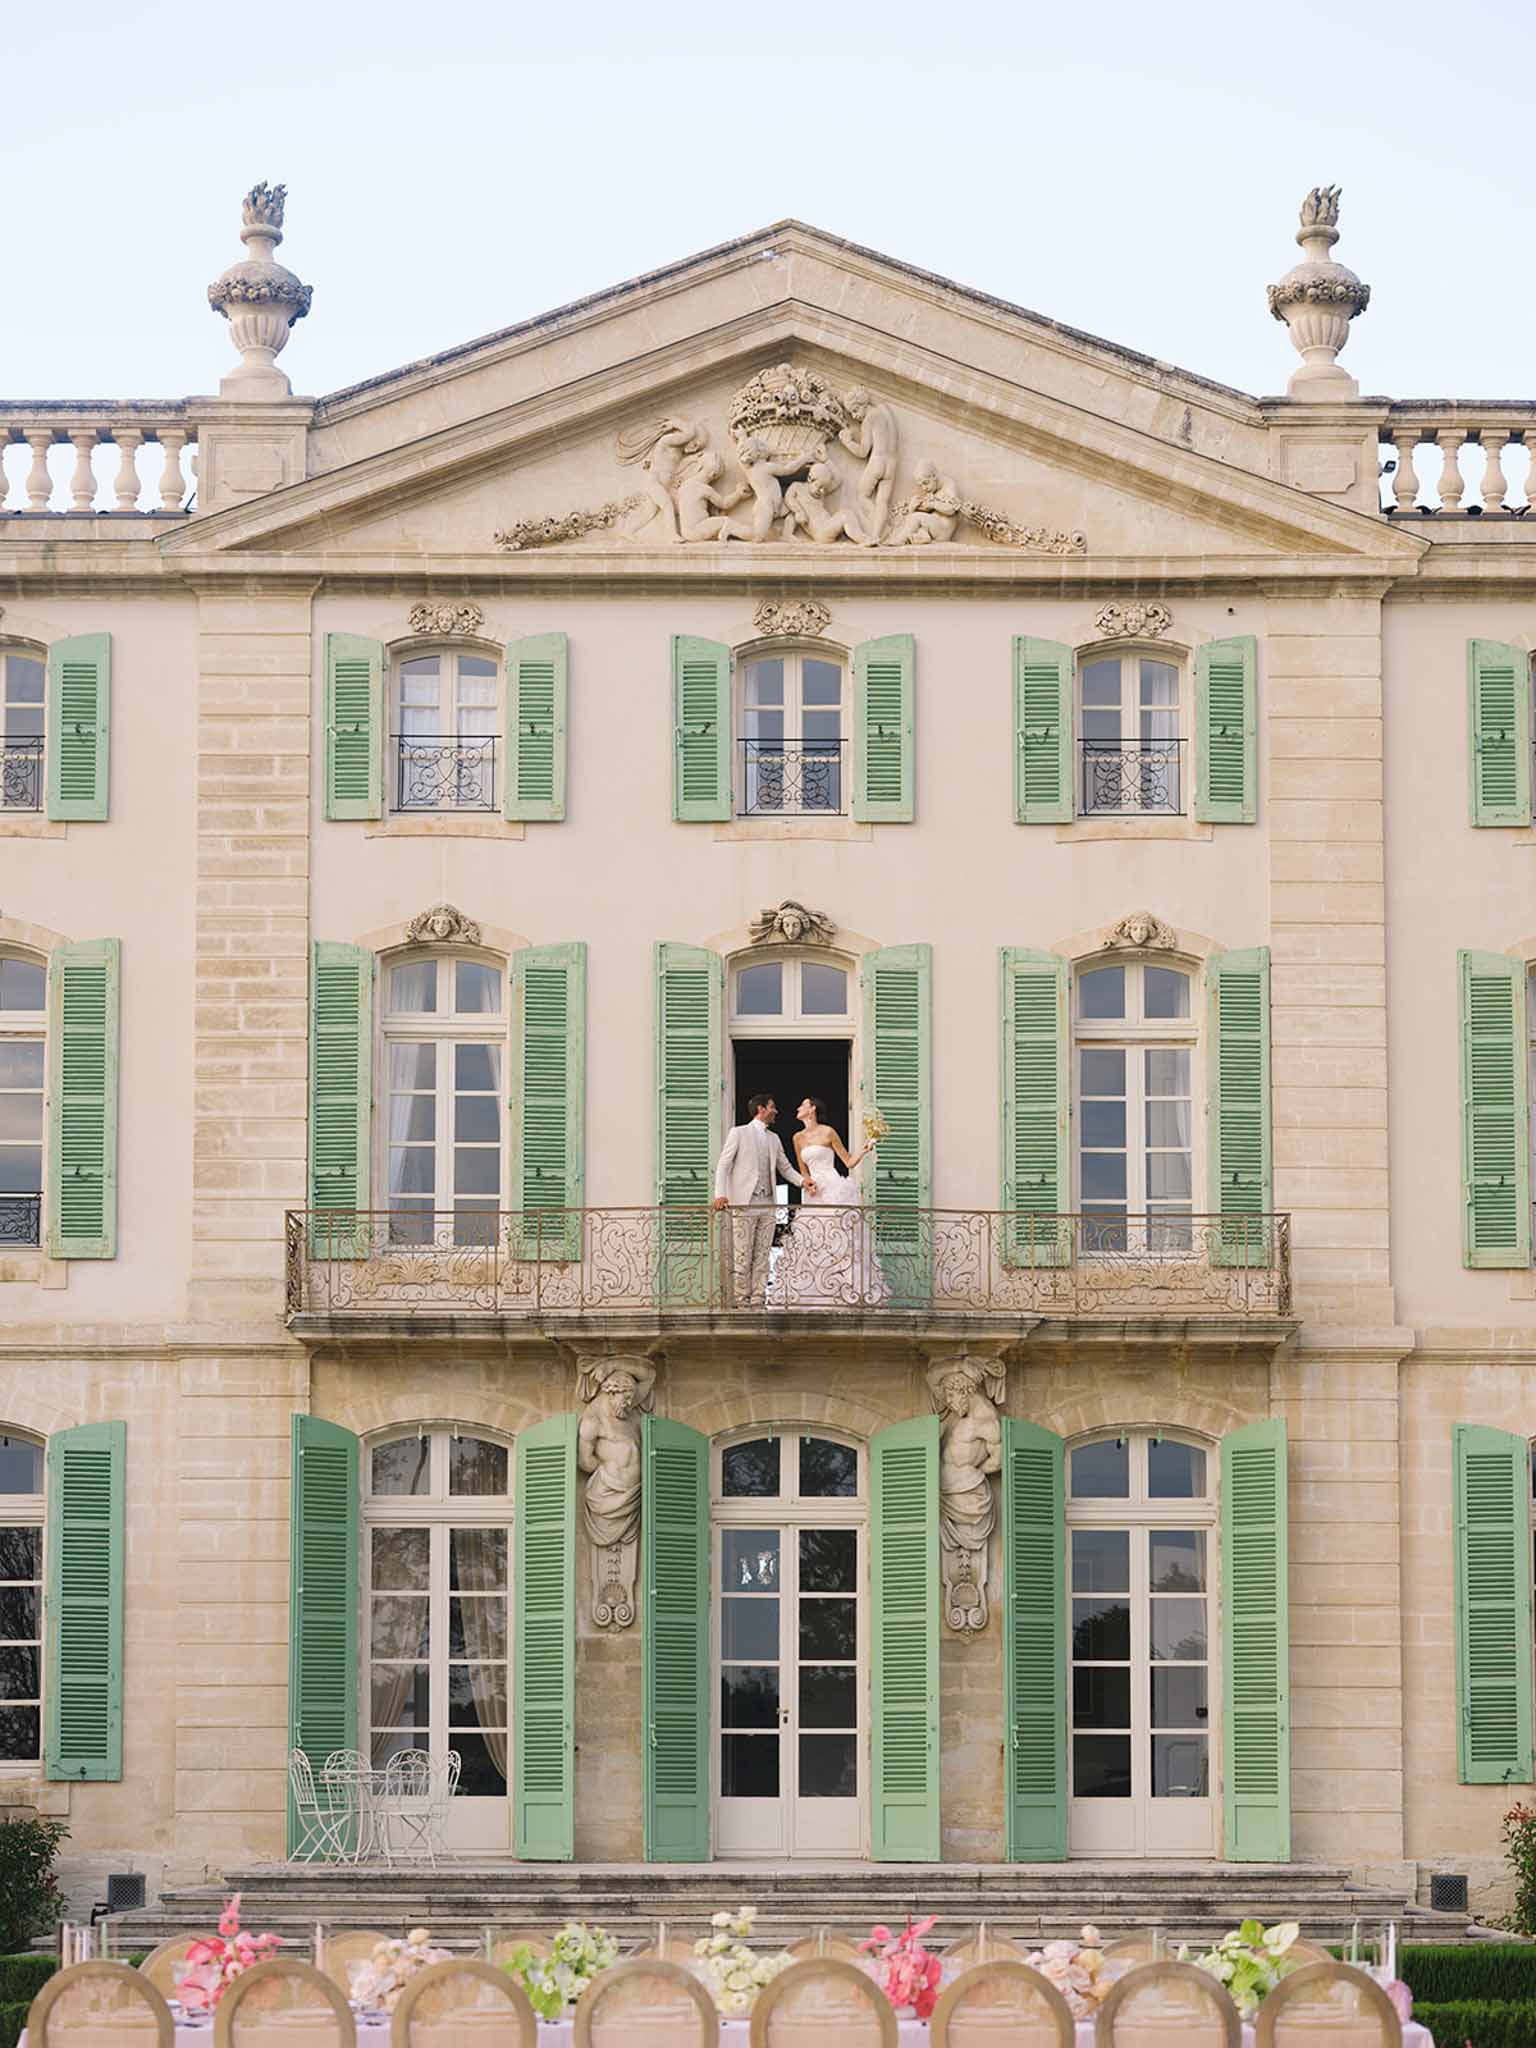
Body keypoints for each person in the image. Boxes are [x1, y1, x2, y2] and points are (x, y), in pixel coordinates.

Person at [771, 1097, 885, 1307]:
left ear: (812, 1108)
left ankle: (848, 1293)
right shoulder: (797, 1138)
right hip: (813, 1193)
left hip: (834, 1188)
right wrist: (807, 1184)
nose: (798, 1107)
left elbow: (848, 1161)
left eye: (802, 1104)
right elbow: (803, 1171)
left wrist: (866, 1148)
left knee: (840, 1242)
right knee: (813, 1242)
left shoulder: (828, 1132)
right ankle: (815, 1297)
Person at [712, 1095, 812, 1308]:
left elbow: (785, 1168)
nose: (776, 1111)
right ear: (761, 1109)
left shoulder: (774, 1139)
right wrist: (720, 1194)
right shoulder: (738, 1133)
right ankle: (741, 1299)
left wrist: (804, 1182)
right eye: (772, 1107)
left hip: (768, 1203)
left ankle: (758, 1297)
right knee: (742, 1253)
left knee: (763, 1253)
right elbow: (724, 1165)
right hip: (744, 1202)